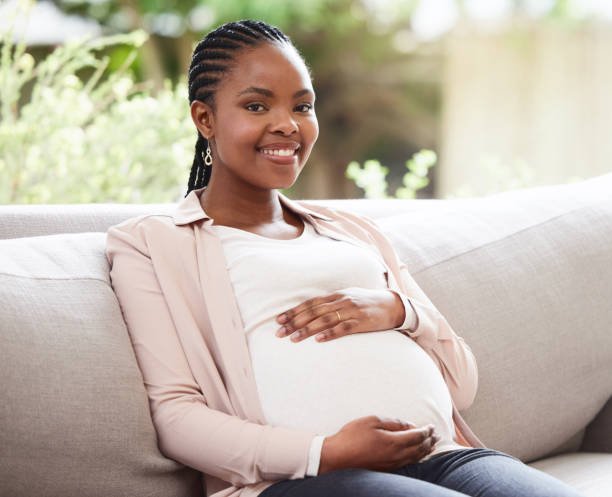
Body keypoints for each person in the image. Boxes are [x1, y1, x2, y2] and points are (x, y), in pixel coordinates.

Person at [105, 19, 585, 497]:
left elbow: (462, 383)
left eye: (303, 106)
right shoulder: (153, 245)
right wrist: (326, 451)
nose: (288, 125)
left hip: (444, 457)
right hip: (307, 479)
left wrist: (399, 312)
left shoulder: (353, 231)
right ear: (204, 118)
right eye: (256, 105)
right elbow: (177, 418)